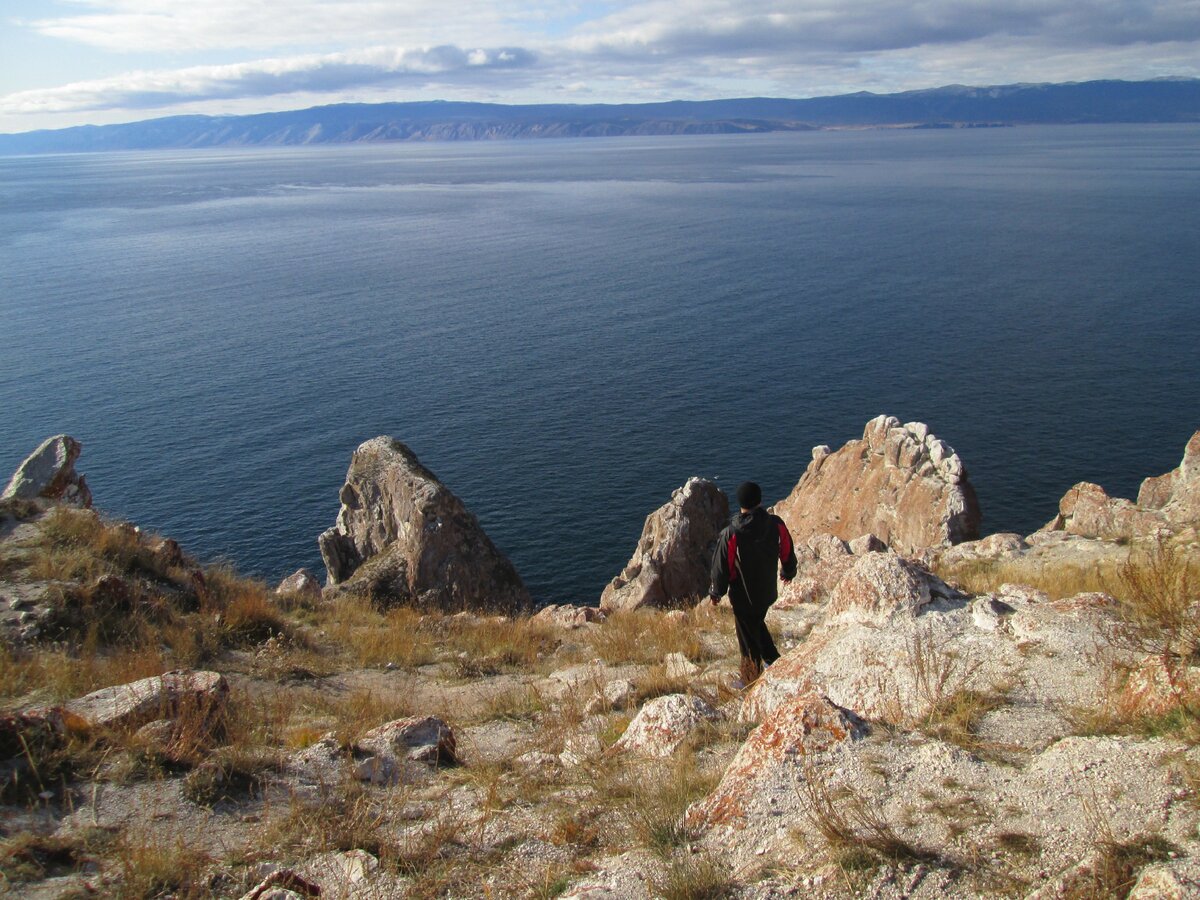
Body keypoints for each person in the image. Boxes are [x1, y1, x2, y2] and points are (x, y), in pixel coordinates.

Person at [708, 481, 797, 684]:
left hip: (743, 596)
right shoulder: (776, 523)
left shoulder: (732, 534)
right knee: (756, 623)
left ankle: (751, 679)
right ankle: (774, 661)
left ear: (740, 503)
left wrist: (716, 592)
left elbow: (722, 566)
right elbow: (786, 548)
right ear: (760, 500)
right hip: (767, 592)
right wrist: (788, 570)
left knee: (747, 638)